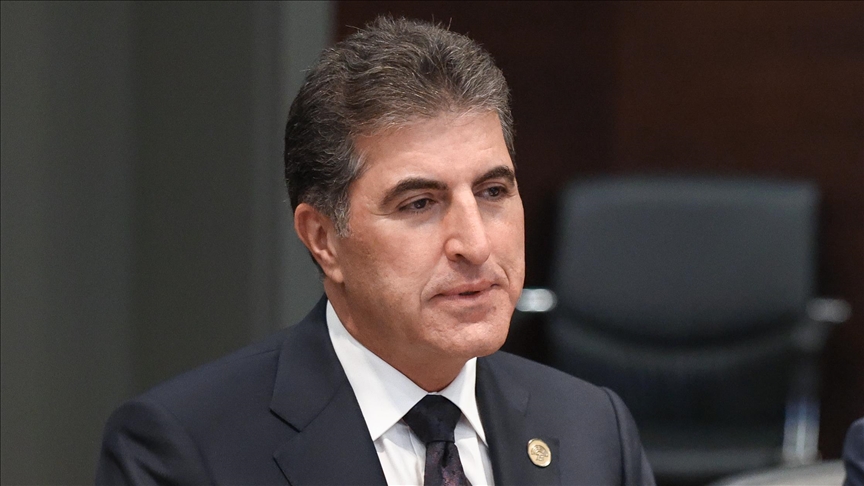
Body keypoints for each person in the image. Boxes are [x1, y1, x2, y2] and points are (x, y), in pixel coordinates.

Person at [97, 16, 655, 485]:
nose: (476, 244)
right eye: (419, 203)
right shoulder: (186, 450)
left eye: (492, 192)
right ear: (323, 239)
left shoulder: (593, 429)